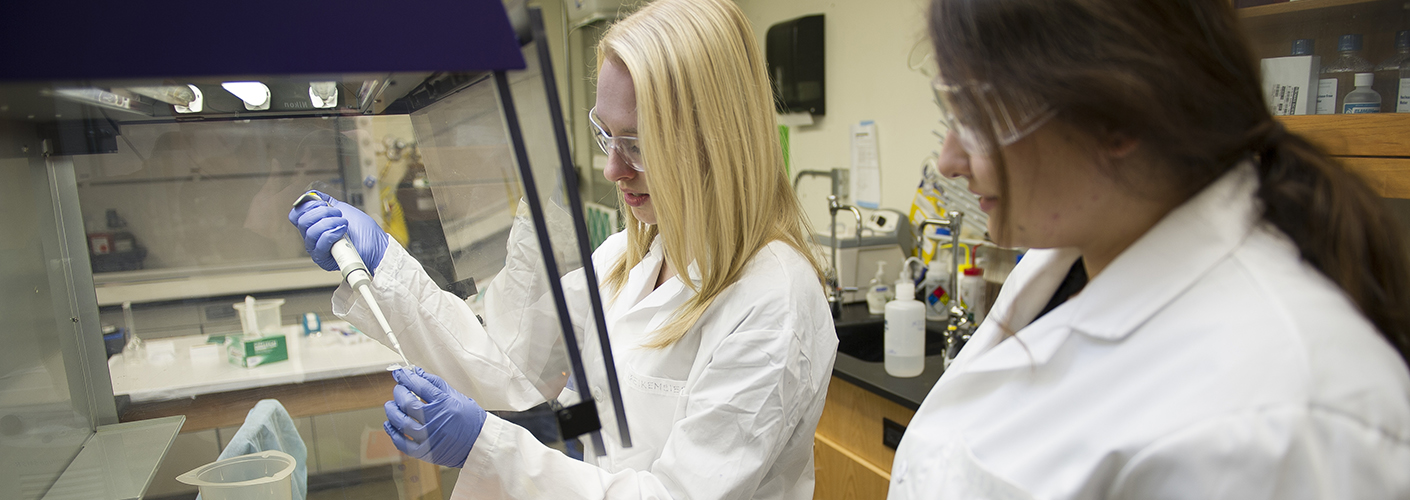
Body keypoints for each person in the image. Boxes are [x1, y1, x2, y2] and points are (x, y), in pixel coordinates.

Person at [289, 0, 837, 498]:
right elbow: (507, 362)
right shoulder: (629, 259)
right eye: (606, 136)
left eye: (638, 144)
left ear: (717, 138)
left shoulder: (773, 301)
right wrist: (385, 264)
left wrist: (487, 447)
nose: (611, 169)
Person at [891, 0, 1410, 497]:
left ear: (1119, 112)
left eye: (976, 117)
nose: (947, 160)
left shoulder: (1283, 412)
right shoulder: (1066, 262)